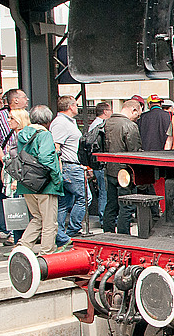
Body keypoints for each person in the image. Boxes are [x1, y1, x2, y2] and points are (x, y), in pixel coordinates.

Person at [13, 106, 63, 255]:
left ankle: (22, 246)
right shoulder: (44, 135)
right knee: (49, 223)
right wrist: (57, 179)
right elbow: (46, 158)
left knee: (37, 218)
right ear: (48, 120)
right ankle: (46, 254)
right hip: (44, 185)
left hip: (27, 184)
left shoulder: (23, 134)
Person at [0, 88, 28, 244]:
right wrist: (4, 160)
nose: (27, 99)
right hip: (8, 163)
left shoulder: (26, 115)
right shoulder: (0, 117)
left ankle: (20, 232)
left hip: (23, 164)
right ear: (15, 100)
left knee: (16, 196)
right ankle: (8, 230)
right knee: (8, 195)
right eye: (24, 97)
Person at [50, 95, 86, 248]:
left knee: (64, 202)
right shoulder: (60, 123)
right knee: (84, 198)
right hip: (68, 166)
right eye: (76, 105)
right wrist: (58, 170)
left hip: (69, 165)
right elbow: (55, 147)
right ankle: (72, 230)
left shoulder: (66, 122)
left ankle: (61, 233)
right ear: (71, 106)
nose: (78, 107)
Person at [103, 99, 142, 234]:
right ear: (133, 110)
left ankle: (107, 232)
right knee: (126, 205)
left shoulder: (107, 123)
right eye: (137, 115)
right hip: (125, 172)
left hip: (110, 169)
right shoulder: (129, 125)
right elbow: (135, 151)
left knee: (111, 204)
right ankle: (123, 234)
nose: (137, 119)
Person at [87, 102, 112, 223]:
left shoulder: (93, 125)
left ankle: (104, 216)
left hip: (96, 163)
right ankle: (103, 218)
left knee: (103, 190)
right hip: (100, 163)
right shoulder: (100, 126)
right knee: (104, 191)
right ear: (105, 112)